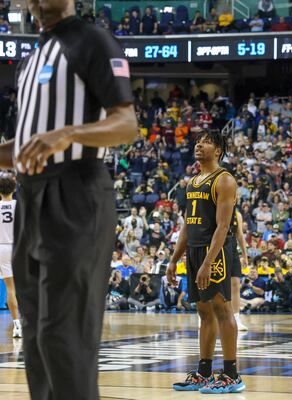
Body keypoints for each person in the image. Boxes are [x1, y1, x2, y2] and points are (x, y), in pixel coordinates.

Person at [4, 1, 137, 398]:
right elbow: (27, 145)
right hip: (30, 197)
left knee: (63, 336)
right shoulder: (30, 60)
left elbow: (127, 123)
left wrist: (69, 134)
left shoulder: (93, 41)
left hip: (76, 192)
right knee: (37, 337)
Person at [167, 131, 245, 394]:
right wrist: (173, 260)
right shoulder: (192, 182)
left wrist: (207, 263)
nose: (199, 144)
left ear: (219, 151)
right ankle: (204, 372)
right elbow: (188, 226)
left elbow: (223, 227)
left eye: (207, 142)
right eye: (197, 141)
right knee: (203, 312)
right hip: (195, 251)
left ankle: (232, 374)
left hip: (217, 251)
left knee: (223, 310)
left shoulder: (224, 180)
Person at [0, 174, 20, 338]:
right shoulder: (20, 206)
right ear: (14, 189)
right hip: (18, 248)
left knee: (10, 289)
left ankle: (17, 325)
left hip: (2, 249)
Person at [231, 208, 249, 330]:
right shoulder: (214, 210)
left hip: (231, 249)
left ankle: (236, 318)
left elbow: (240, 235)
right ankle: (206, 317)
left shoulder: (237, 214)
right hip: (216, 248)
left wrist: (244, 254)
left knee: (235, 284)